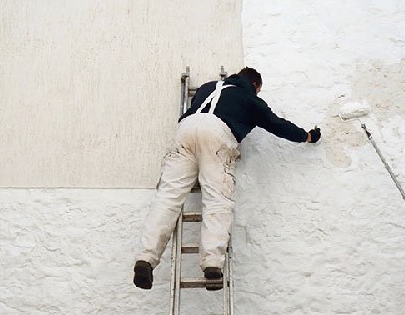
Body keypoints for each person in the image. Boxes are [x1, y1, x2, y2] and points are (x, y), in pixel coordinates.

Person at [133, 67, 320, 290]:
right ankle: (212, 264)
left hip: (186, 128)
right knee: (217, 200)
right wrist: (307, 136)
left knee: (168, 198)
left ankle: (145, 259)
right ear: (256, 86)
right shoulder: (250, 99)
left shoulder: (207, 87)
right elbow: (276, 124)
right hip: (217, 135)